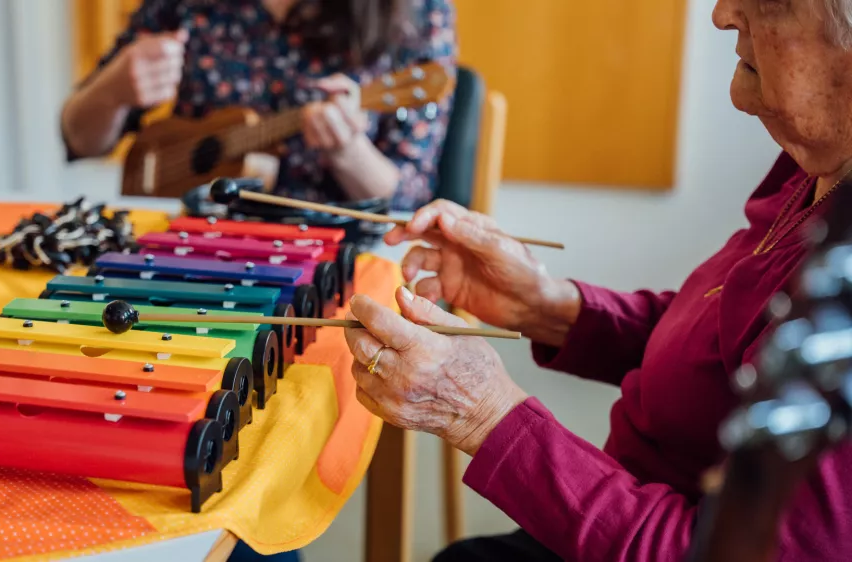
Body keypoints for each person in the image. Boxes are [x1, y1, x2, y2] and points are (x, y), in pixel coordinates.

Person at [342, 0, 852, 560]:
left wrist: (482, 414)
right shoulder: (815, 172)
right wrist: (544, 305)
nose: (723, 13)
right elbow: (716, 343)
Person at [60, 0, 457, 212]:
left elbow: (408, 200)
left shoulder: (418, 11)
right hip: (189, 238)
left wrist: (348, 152)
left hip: (327, 259)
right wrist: (111, 89)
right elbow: (78, 140)